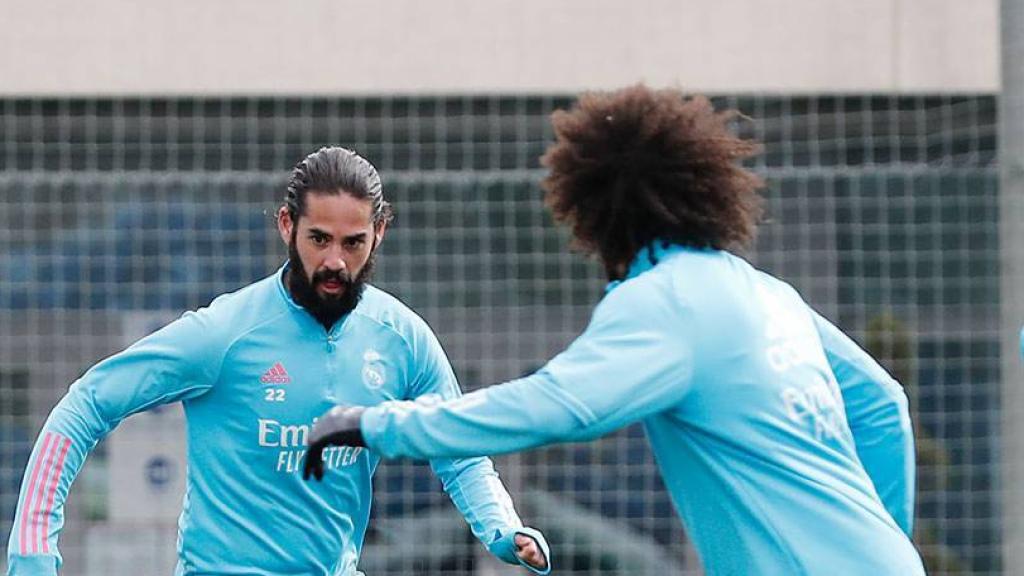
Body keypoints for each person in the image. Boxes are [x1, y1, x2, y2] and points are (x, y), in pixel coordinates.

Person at [303, 86, 926, 575]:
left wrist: (372, 423)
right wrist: (881, 547)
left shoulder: (662, 301)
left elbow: (556, 406)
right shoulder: (764, 292)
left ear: (597, 220)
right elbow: (882, 404)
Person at [6, 147, 549, 576]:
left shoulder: (402, 339)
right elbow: (86, 404)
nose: (335, 261)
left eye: (353, 242)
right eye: (319, 239)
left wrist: (502, 528)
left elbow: (458, 451)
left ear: (380, 232)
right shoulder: (225, 333)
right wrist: (32, 548)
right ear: (286, 226)